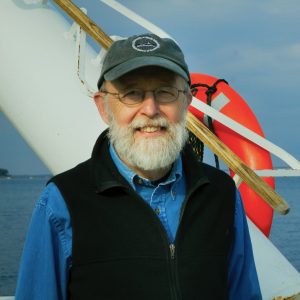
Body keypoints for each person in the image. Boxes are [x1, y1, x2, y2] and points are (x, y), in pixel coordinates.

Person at [15, 33, 262, 300]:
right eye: (131, 93)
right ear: (104, 106)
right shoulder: (62, 202)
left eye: (165, 92)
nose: (151, 109)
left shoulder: (221, 193)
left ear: (187, 102)